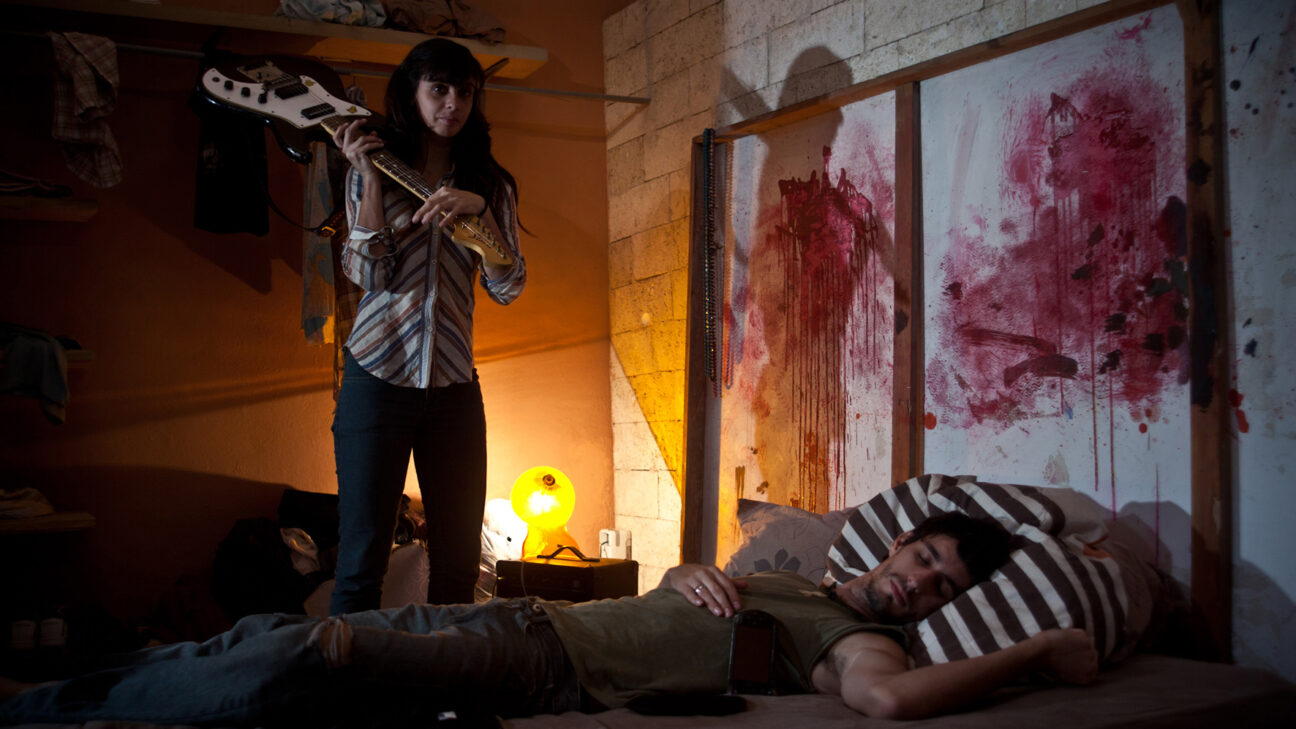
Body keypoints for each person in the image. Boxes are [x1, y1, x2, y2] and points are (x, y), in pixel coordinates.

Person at [0, 512, 1100, 725]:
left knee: (319, 645)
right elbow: (691, 596)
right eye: (922, 559)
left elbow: (888, 703)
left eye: (941, 588)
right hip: (517, 614)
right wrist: (685, 568)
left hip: (544, 664)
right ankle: (64, 694)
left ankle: (38, 711)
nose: (918, 585)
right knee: (261, 637)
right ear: (898, 544)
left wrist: (1041, 648)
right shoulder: (807, 583)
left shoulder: (866, 642)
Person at [328, 37, 525, 615]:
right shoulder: (373, 168)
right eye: (439, 89)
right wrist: (367, 180)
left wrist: (482, 214)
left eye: (465, 91)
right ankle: (349, 672)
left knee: (460, 564)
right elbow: (368, 274)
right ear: (411, 93)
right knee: (362, 561)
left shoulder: (491, 185)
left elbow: (508, 287)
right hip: (375, 378)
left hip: (453, 388)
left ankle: (446, 669)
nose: (453, 103)